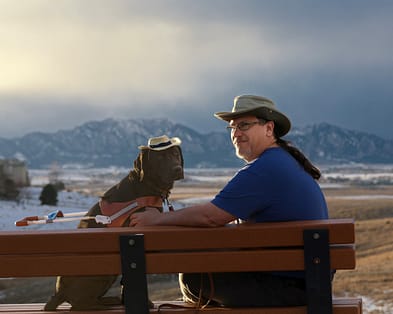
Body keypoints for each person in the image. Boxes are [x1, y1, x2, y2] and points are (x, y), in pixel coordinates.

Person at [130, 94, 328, 307]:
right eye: (232, 128)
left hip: (288, 288)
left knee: (192, 277)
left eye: (244, 125)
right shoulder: (283, 162)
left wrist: (156, 219)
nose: (236, 133)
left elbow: (211, 216)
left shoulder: (264, 169)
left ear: (269, 129)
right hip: (309, 283)